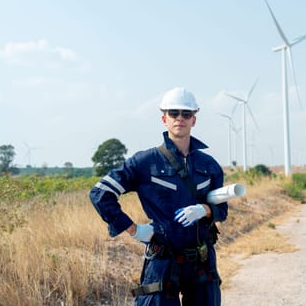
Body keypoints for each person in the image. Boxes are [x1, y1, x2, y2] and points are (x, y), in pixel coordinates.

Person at [89, 87, 228, 306]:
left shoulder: (209, 165)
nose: (180, 118)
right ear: (164, 118)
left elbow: (222, 209)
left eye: (186, 114)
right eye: (174, 113)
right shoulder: (145, 162)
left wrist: (205, 209)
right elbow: (100, 193)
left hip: (202, 262)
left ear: (194, 120)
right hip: (163, 261)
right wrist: (134, 230)